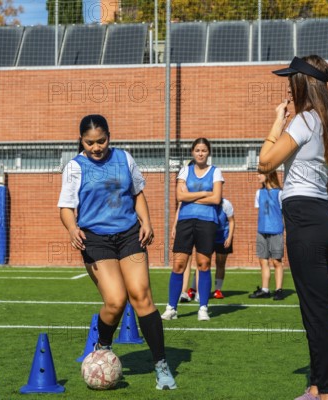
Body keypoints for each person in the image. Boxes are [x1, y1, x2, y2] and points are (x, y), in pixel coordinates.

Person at [58, 114, 176, 390]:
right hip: (96, 239)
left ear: (109, 137)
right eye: (90, 143)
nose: (96, 147)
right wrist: (72, 228)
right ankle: (104, 345)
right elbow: (65, 206)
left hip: (128, 236)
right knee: (115, 301)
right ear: (81, 141)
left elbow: (137, 194)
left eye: (101, 141)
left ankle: (161, 365)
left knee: (141, 296)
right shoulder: (75, 167)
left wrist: (146, 221)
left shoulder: (125, 159)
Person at [258, 56, 328, 400]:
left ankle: (327, 392)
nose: (287, 86)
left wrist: (277, 122)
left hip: (306, 222)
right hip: (322, 218)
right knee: (315, 311)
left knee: (317, 313)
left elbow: (265, 163)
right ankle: (315, 386)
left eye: (290, 79)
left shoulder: (303, 121)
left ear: (302, 83)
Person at [161, 138, 224, 321]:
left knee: (203, 264)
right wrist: (205, 193)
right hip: (185, 222)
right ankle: (171, 308)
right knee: (179, 264)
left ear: (208, 152)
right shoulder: (185, 170)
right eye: (197, 150)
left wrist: (191, 197)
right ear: (192, 152)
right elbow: (179, 195)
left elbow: (216, 199)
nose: (201, 153)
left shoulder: (216, 172)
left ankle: (203, 308)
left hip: (207, 222)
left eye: (204, 150)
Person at [249, 172, 285, 301]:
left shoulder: (280, 193)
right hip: (261, 231)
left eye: (260, 173)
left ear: (269, 175)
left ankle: (279, 290)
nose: (258, 176)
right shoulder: (259, 193)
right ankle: (265, 290)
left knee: (276, 261)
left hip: (276, 231)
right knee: (263, 261)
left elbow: (283, 213)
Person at [211, 198, 235, 299]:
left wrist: (229, 237)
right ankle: (195, 290)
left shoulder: (226, 204)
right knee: (203, 263)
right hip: (209, 236)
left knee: (220, 263)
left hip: (223, 237)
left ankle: (218, 290)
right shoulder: (207, 202)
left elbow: (231, 221)